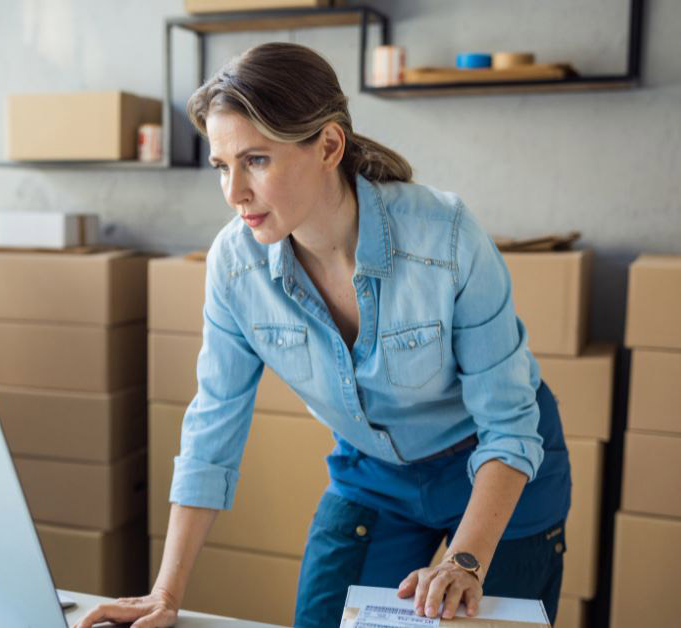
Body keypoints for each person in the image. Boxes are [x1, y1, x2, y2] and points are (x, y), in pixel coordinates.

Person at [75, 42, 571, 628]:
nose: (234, 193)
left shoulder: (446, 238)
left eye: (256, 160)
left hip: (498, 472)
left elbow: (510, 426)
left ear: (329, 145)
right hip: (374, 473)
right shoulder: (236, 267)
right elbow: (213, 424)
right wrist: (166, 592)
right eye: (221, 166)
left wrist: (464, 561)